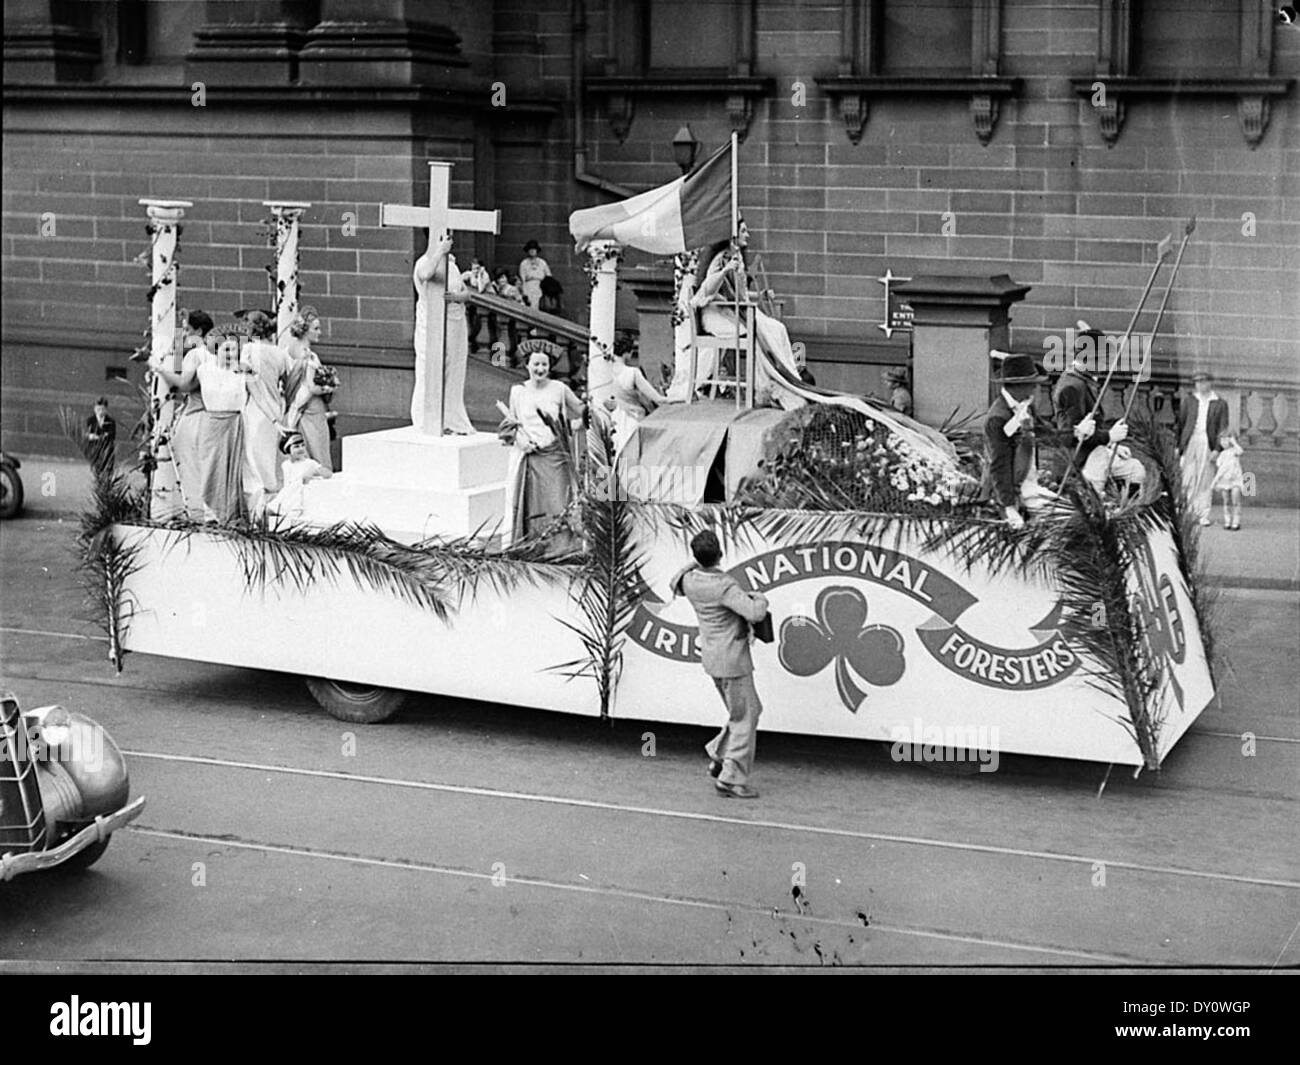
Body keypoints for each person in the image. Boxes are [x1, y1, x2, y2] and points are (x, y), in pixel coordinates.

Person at [670, 529, 770, 800]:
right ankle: (731, 778)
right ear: (721, 554)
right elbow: (755, 613)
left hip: (713, 657)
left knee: (747, 712)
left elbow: (678, 577)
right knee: (745, 717)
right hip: (734, 660)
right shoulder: (724, 586)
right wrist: (759, 597)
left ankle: (720, 754)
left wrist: (697, 560)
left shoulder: (690, 581)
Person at [690, 219, 804, 411]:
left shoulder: (737, 258)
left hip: (731, 310)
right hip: (715, 314)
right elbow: (706, 290)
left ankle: (788, 378)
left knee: (778, 328)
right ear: (733, 236)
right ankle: (764, 389)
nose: (748, 235)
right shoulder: (721, 258)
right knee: (757, 333)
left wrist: (760, 295)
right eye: (743, 231)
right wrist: (725, 269)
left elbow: (739, 295)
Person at [153, 310, 248, 523]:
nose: (184, 334)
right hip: (213, 417)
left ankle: (198, 515)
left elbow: (185, 384)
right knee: (210, 470)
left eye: (187, 330)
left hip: (194, 418)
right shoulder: (216, 354)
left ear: (198, 331)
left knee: (191, 471)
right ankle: (211, 514)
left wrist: (160, 369)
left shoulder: (195, 355)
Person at [500, 348, 585, 554]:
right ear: (527, 365)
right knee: (533, 506)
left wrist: (575, 425)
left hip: (555, 456)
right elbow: (512, 424)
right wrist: (521, 441)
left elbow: (582, 410)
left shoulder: (559, 388)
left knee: (557, 502)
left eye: (544, 364)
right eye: (536, 364)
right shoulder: (518, 391)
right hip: (531, 456)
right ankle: (534, 549)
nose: (540, 369)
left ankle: (561, 550)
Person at [1050, 324, 1145, 497]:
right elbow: (1069, 436)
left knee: (1136, 470)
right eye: (1103, 358)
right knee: (1129, 474)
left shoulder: (1082, 379)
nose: (1106, 363)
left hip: (1094, 452)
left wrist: (1112, 443)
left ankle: (1124, 509)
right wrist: (1110, 436)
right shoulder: (1073, 387)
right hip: (1079, 461)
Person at [412, 230, 474, 435]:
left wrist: (457, 297)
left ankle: (451, 418)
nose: (450, 240)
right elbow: (425, 275)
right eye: (445, 237)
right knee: (429, 370)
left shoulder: (453, 266)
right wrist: (439, 252)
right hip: (432, 325)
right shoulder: (425, 261)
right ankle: (425, 419)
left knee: (454, 371)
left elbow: (467, 294)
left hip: (455, 323)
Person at [237, 309, 292, 517]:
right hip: (276, 406)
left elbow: (248, 382)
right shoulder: (280, 352)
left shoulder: (249, 349)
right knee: (268, 454)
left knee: (253, 457)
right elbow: (289, 382)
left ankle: (257, 509)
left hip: (255, 407)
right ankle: (271, 499)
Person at [984, 354, 1048, 530]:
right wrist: (1008, 506)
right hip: (1014, 490)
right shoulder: (997, 417)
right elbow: (998, 464)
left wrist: (1078, 431)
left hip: (1030, 483)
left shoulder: (1025, 405)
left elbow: (1047, 433)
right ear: (1019, 385)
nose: (1036, 387)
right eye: (1032, 383)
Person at [283, 307, 335, 469]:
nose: (320, 332)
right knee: (318, 450)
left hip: (299, 407)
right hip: (310, 408)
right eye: (316, 329)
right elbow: (311, 387)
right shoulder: (306, 355)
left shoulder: (289, 349)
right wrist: (329, 387)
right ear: (305, 331)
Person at [1177, 370, 1229, 526]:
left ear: (1210, 383)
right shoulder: (1189, 401)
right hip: (1190, 441)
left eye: (1204, 382)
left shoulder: (1219, 403)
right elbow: (1181, 424)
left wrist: (1217, 449)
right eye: (1198, 382)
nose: (1200, 385)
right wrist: (1178, 446)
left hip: (1207, 442)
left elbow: (1223, 428)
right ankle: (1186, 513)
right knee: (1187, 477)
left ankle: (1202, 514)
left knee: (1205, 479)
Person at [603, 333, 666, 455]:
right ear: (628, 352)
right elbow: (659, 399)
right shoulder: (632, 373)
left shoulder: (605, 371)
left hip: (612, 420)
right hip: (632, 421)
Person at [267, 431, 331, 520]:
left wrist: (314, 472)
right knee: (266, 512)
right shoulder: (286, 465)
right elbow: (287, 485)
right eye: (296, 447)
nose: (301, 449)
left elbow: (328, 473)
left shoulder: (309, 463)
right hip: (287, 495)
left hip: (297, 498)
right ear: (287, 449)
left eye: (303, 445)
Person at [1211, 431, 1245, 530]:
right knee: (1226, 501)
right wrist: (1215, 481)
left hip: (1235, 480)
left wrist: (1234, 442)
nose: (1224, 442)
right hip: (1224, 481)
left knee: (1235, 499)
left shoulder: (1234, 451)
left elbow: (1240, 451)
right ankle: (1227, 520)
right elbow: (1220, 469)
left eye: (1226, 439)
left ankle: (1236, 521)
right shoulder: (1222, 455)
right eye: (1222, 440)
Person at [462, 256, 492, 353]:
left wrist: (480, 275)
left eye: (477, 268)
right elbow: (458, 280)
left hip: (489, 300)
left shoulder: (485, 276)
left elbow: (480, 289)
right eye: (473, 268)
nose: (474, 270)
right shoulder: (470, 274)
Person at [83, 397, 116, 477]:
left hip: (107, 452)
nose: (100, 411)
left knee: (107, 473)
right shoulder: (90, 421)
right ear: (94, 409)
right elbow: (85, 434)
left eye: (102, 409)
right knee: (96, 473)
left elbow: (112, 435)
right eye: (98, 408)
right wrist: (91, 436)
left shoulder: (111, 421)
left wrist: (101, 437)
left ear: (106, 409)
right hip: (94, 451)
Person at [518, 240, 551, 309]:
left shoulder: (542, 262)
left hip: (541, 286)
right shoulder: (524, 263)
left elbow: (549, 276)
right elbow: (522, 279)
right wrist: (524, 291)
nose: (532, 251)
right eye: (530, 249)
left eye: (534, 249)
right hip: (529, 286)